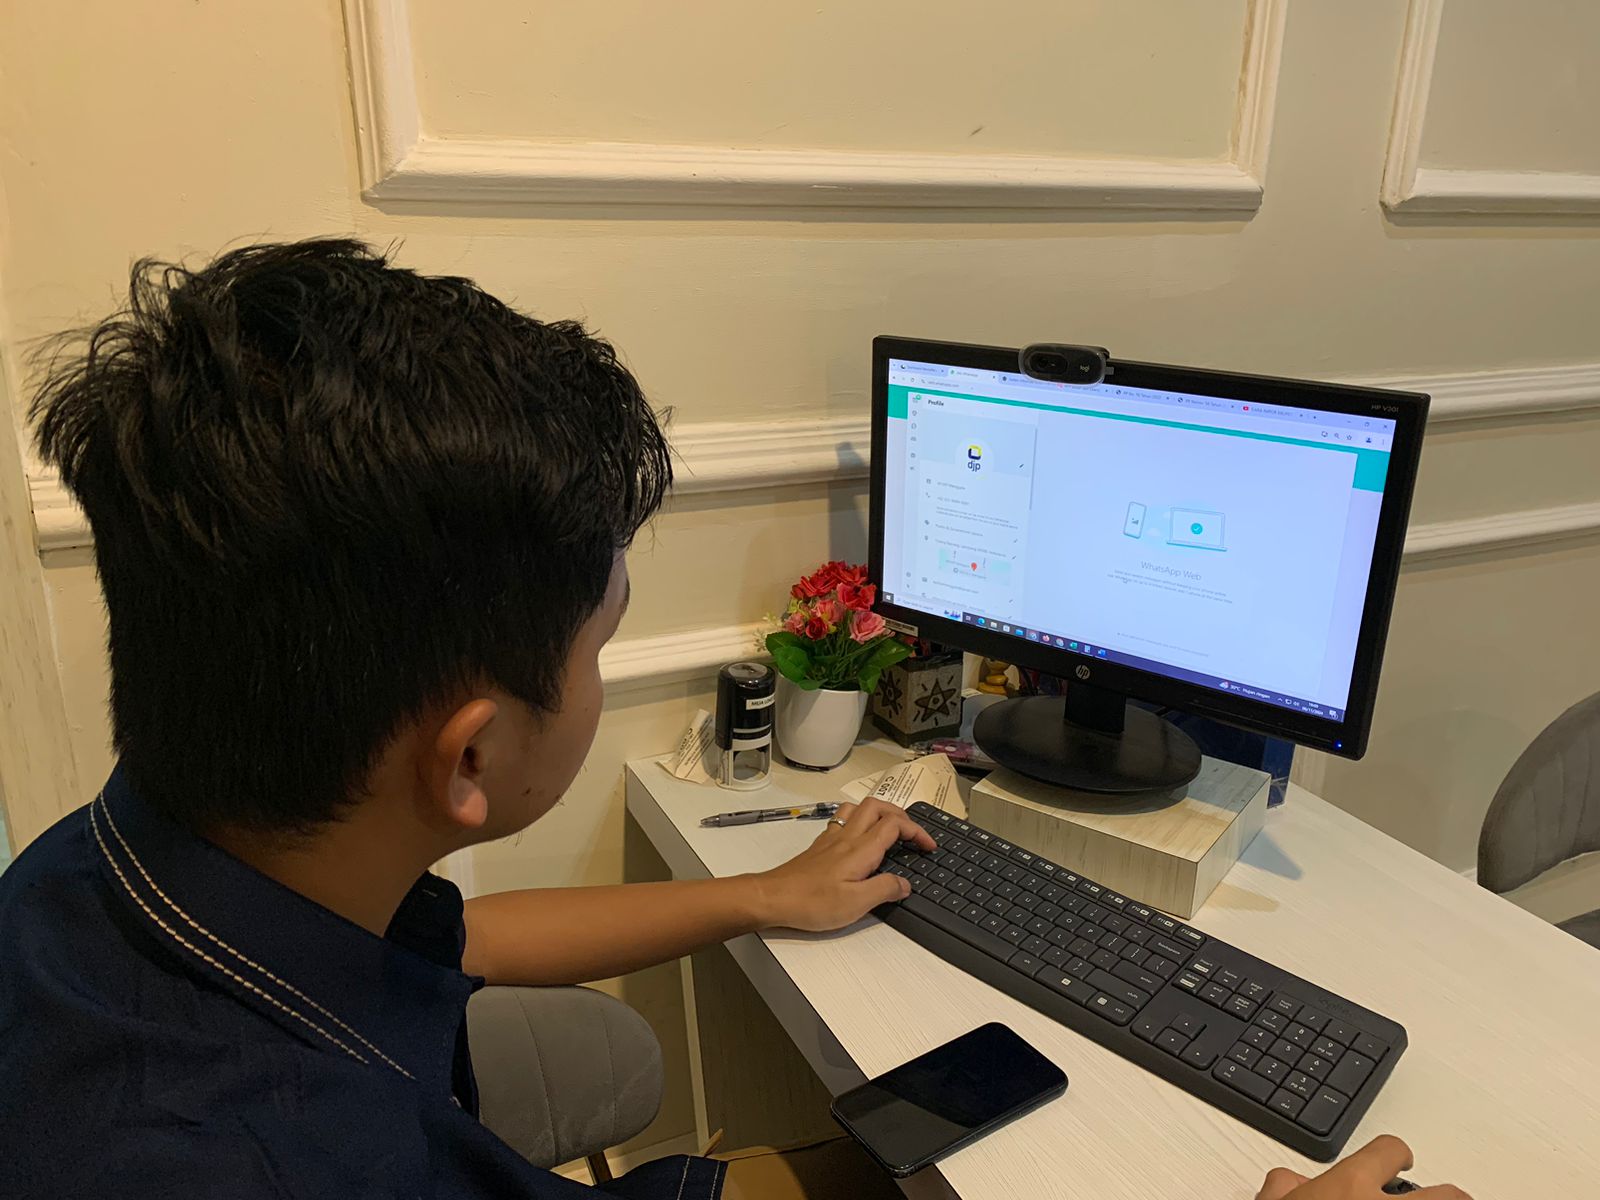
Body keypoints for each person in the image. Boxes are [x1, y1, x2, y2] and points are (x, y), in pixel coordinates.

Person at [0, 240, 1467, 1200]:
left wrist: (764, 895)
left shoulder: (128, 872)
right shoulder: (271, 1162)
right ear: (472, 756)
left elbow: (466, 940)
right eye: (600, 643)